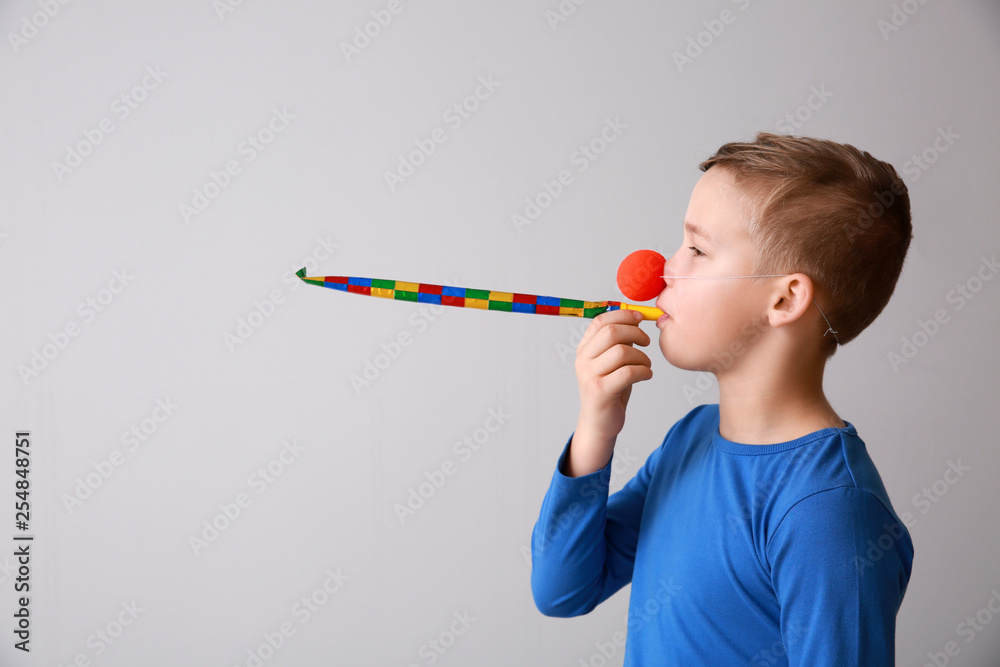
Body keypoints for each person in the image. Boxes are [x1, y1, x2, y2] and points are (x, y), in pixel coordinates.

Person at [530, 132, 915, 665]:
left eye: (697, 248)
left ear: (783, 298)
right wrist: (597, 428)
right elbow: (563, 590)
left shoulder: (829, 512)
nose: (660, 271)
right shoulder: (692, 437)